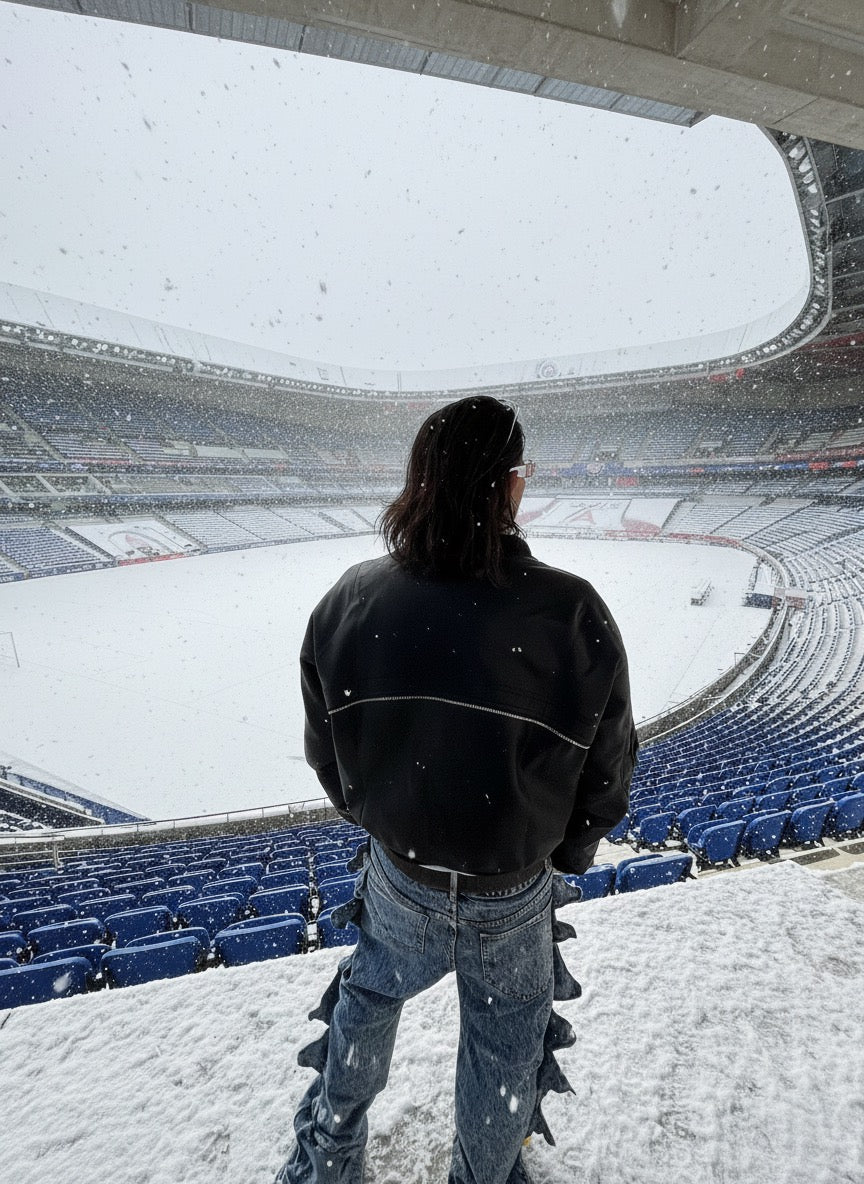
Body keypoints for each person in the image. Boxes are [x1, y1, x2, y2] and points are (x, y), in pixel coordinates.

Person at [275, 395, 637, 1184]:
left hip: (400, 875)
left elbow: (326, 751)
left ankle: (327, 1162)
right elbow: (607, 775)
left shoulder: (351, 599)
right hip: (511, 889)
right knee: (505, 1050)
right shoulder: (573, 613)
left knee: (366, 999)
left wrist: (384, 816)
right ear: (507, 486)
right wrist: (560, 851)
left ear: (422, 483)